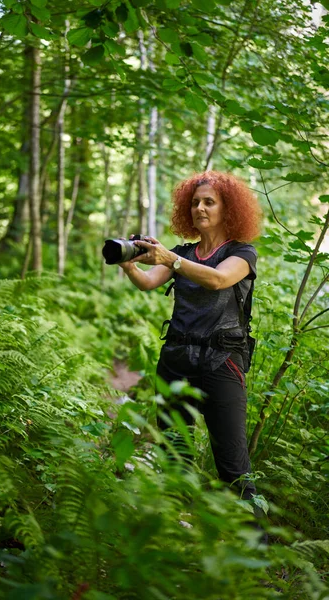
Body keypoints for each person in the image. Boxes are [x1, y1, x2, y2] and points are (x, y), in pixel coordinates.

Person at [119, 171, 262, 501]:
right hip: (175, 362)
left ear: (229, 210)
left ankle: (257, 546)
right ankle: (180, 535)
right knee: (174, 456)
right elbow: (147, 282)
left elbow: (216, 280)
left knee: (233, 467)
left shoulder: (242, 254)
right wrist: (129, 263)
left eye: (209, 202)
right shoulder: (183, 251)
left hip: (222, 364)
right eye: (195, 202)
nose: (200, 208)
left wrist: (171, 259)